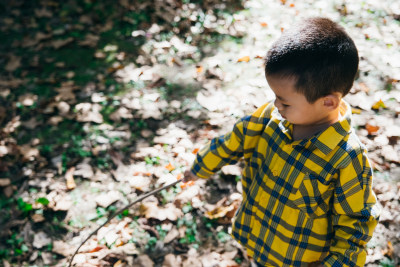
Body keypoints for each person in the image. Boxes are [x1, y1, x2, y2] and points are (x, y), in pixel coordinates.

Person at [184, 17, 380, 267]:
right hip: (260, 240)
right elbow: (233, 142)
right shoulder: (270, 118)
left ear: (328, 102)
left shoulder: (346, 158)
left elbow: (356, 222)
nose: (277, 105)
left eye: (285, 101)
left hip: (299, 260)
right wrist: (201, 166)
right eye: (276, 97)